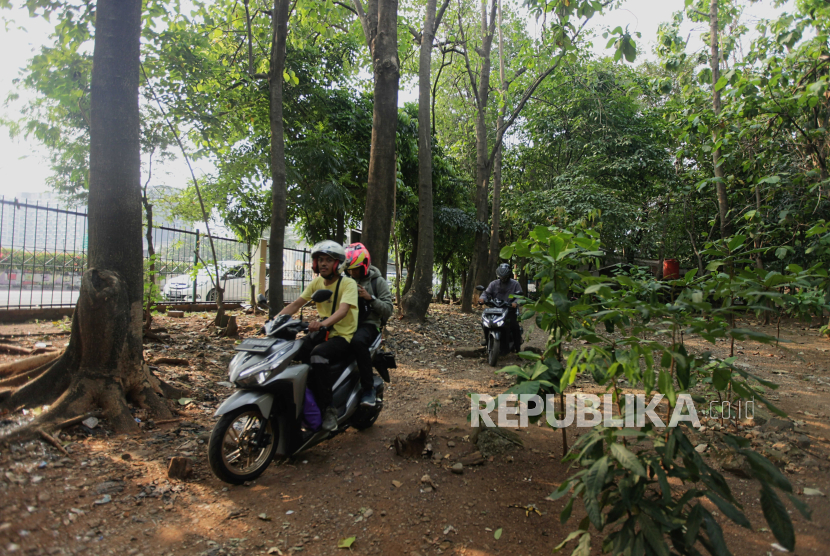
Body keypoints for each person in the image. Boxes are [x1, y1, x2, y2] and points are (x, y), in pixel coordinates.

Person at [276, 240, 358, 431]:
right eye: (320, 259)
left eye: (328, 260)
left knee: (318, 355)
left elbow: (343, 311)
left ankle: (328, 409)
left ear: (338, 264)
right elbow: (296, 304)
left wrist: (322, 324)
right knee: (291, 350)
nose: (323, 264)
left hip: (342, 335)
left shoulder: (348, 284)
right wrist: (274, 320)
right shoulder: (317, 283)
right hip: (323, 332)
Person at [344, 242, 394, 407]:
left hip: (369, 324)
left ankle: (368, 389)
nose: (353, 273)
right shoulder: (346, 281)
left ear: (365, 266)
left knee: (358, 342)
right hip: (347, 323)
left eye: (356, 269)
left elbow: (388, 309)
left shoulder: (377, 282)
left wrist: (370, 298)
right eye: (349, 269)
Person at [478, 263, 523, 352]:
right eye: (501, 277)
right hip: (495, 309)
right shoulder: (493, 284)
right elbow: (486, 293)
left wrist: (515, 303)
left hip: (509, 310)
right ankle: (486, 338)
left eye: (504, 277)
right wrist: (482, 299)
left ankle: (518, 350)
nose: (502, 279)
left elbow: (520, 296)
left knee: (515, 327)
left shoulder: (515, 284)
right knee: (485, 322)